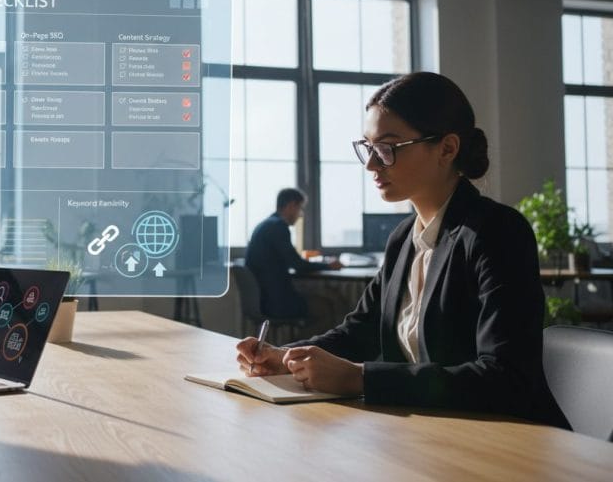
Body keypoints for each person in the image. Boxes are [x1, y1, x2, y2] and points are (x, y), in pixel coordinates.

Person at [236, 72, 565, 426]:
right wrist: (284, 357)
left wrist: (360, 378)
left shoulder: (497, 232)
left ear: (447, 149)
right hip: (433, 431)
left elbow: (505, 378)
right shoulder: (403, 238)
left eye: (387, 148)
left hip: (512, 438)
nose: (371, 164)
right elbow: (361, 330)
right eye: (368, 147)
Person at [245, 188, 343, 325]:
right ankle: (305, 340)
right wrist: (329, 265)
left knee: (325, 298)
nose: (300, 214)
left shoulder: (264, 225)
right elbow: (298, 265)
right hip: (276, 303)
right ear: (291, 205)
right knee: (327, 306)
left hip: (263, 300)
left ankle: (304, 339)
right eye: (300, 208)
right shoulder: (278, 226)